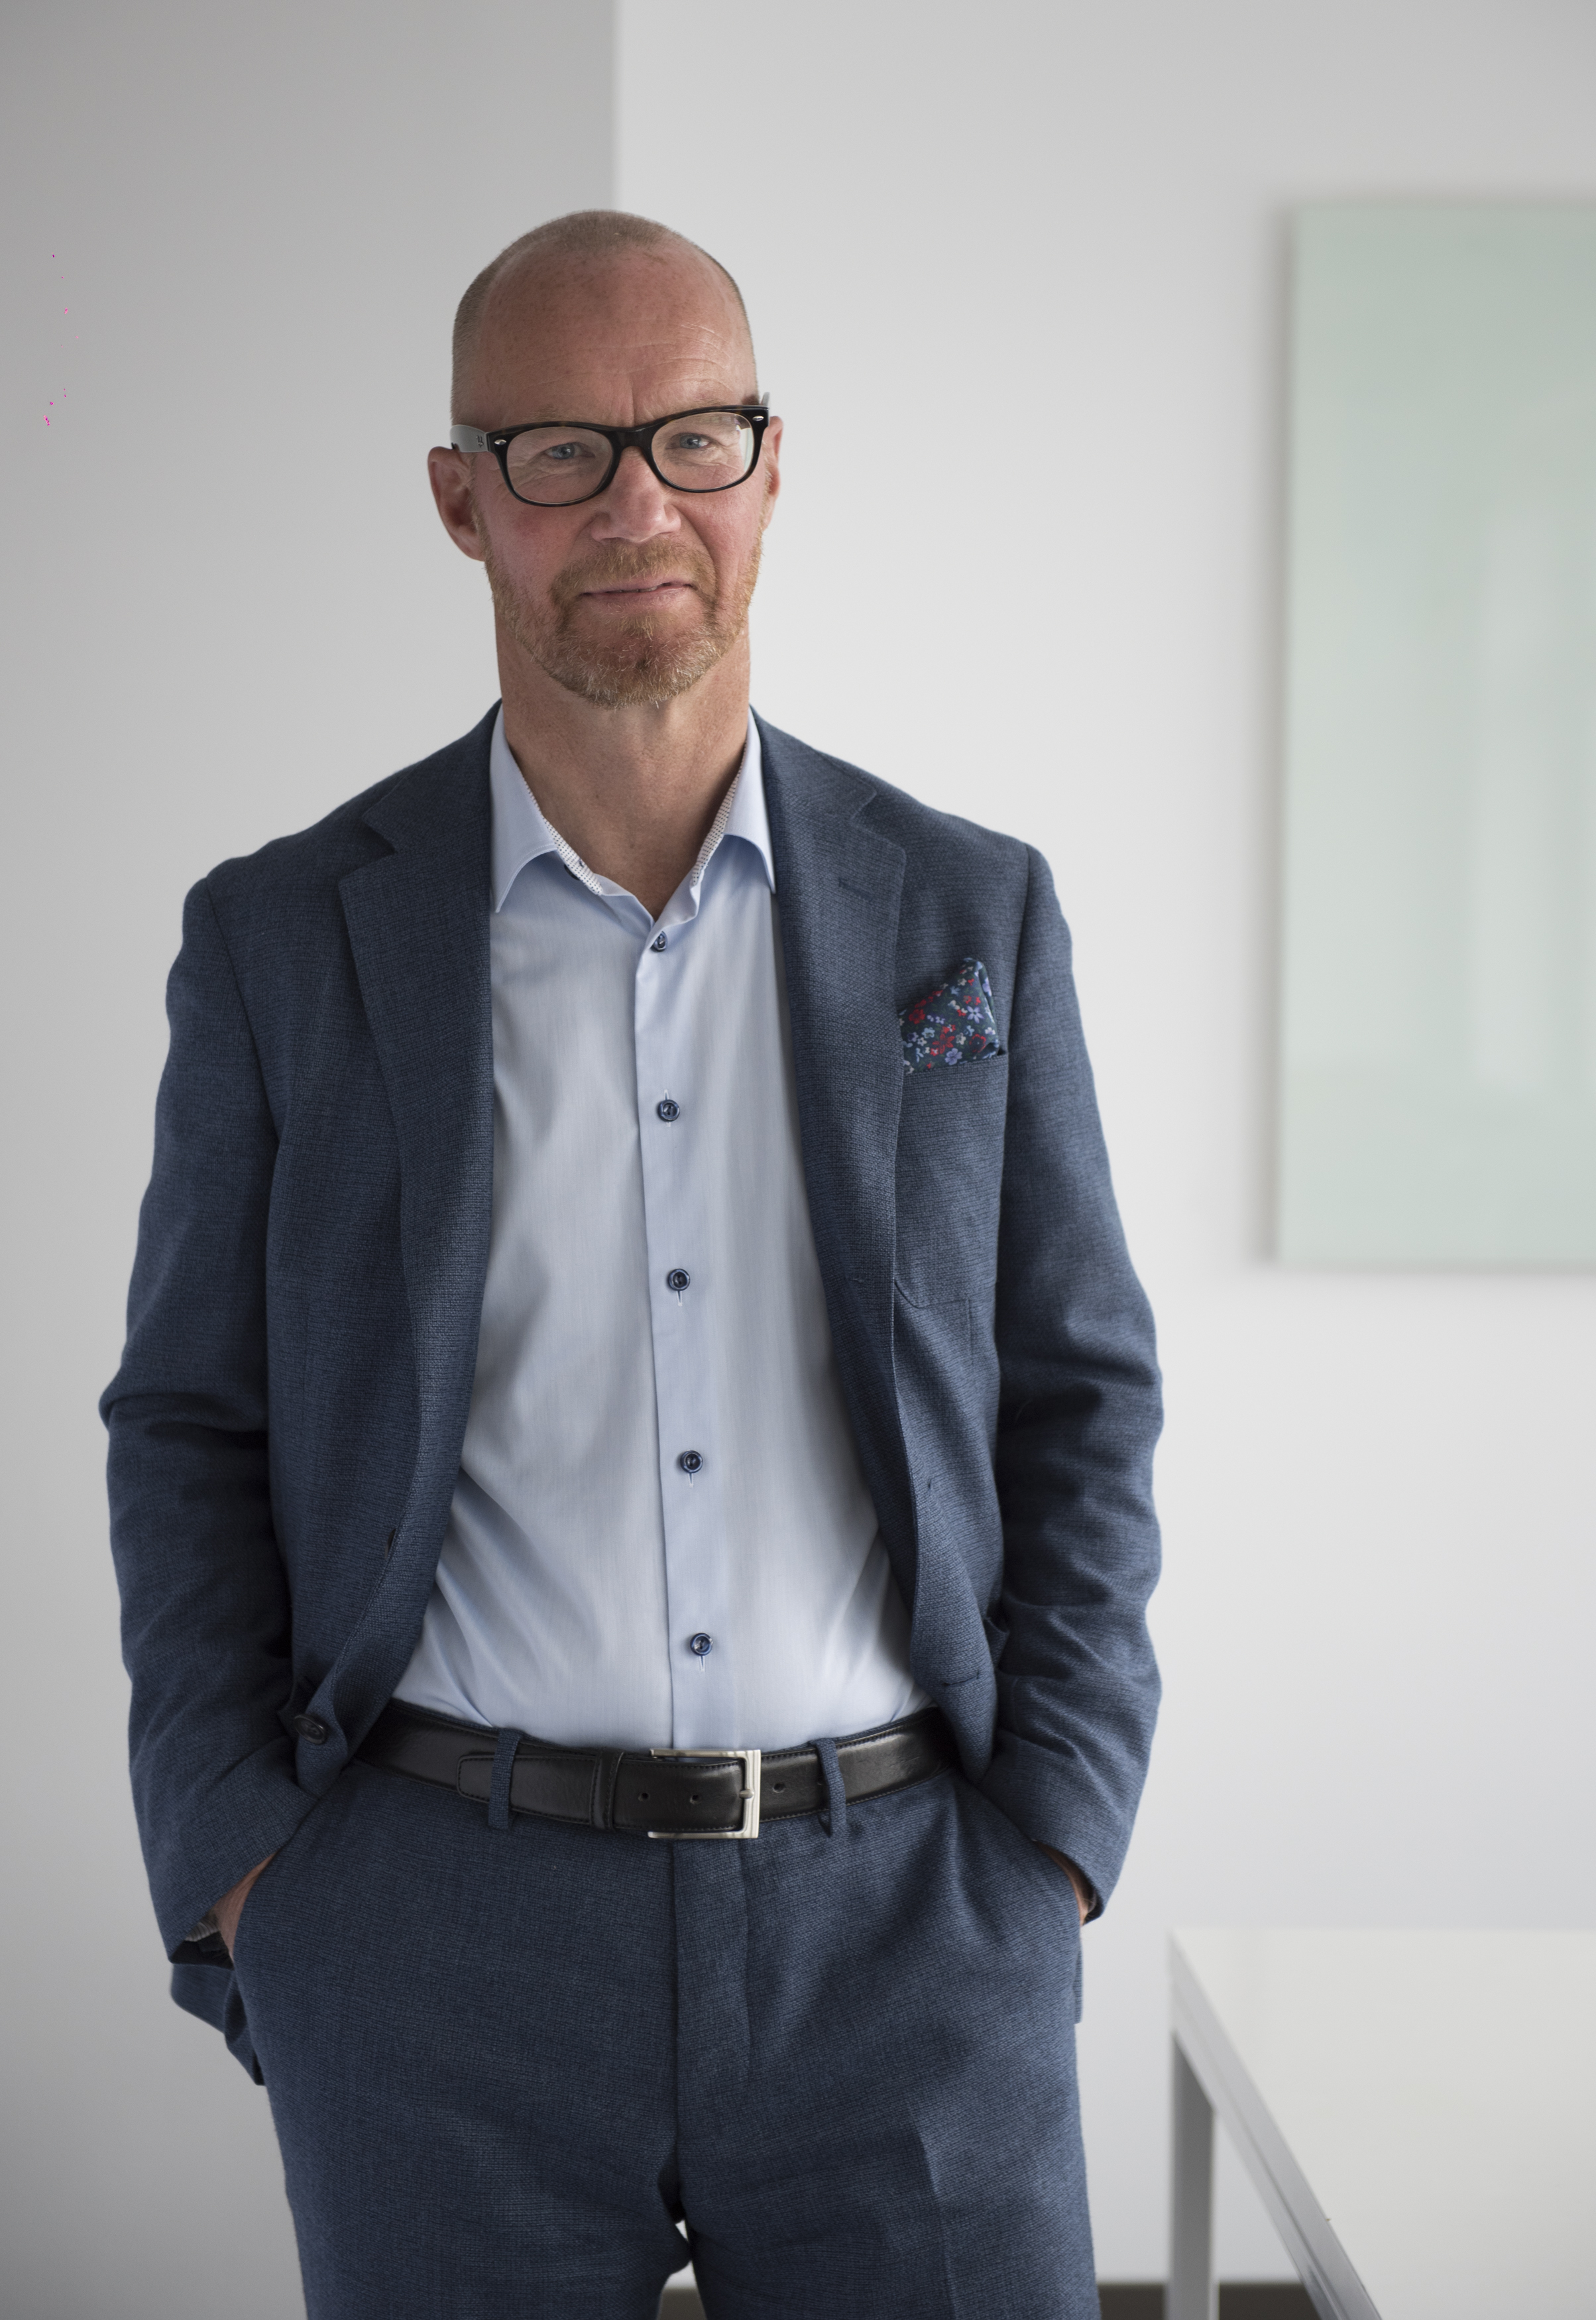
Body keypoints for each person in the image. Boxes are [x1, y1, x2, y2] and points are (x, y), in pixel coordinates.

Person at [103, 209, 1162, 2320]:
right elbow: (191, 1425)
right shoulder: (283, 939)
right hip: (436, 1939)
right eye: (562, 451)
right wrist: (249, 1865)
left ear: (770, 467)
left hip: (907, 1926)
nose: (638, 504)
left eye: (694, 438)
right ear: (462, 499)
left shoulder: (971, 915)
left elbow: (1080, 1391)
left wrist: (1055, 1832)